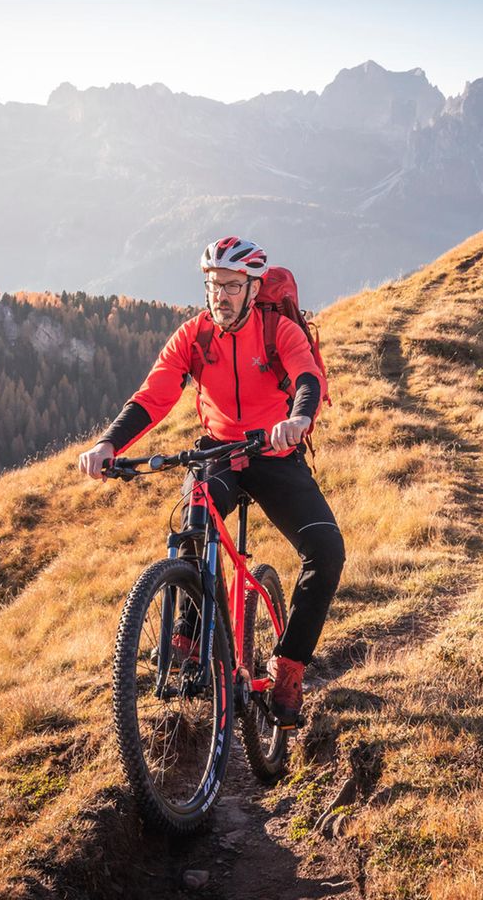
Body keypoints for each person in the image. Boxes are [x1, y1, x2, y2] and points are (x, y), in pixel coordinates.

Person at [78, 236, 345, 726]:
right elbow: (153, 395)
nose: (219, 295)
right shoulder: (194, 336)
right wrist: (108, 446)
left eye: (231, 286)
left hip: (273, 452)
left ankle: (287, 669)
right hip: (218, 453)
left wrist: (299, 419)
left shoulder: (277, 330)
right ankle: (192, 632)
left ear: (252, 288)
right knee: (191, 528)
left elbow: (307, 376)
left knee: (326, 551)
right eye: (213, 285)